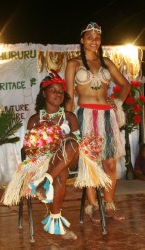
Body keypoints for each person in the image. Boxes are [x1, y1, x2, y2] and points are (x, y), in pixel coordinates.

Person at [65, 22, 131, 223]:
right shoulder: (73, 63)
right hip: (85, 116)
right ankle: (92, 205)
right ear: (82, 40)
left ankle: (109, 204)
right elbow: (69, 95)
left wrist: (117, 100)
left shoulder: (107, 62)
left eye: (97, 37)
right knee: (90, 162)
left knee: (110, 163)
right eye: (89, 37)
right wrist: (69, 124)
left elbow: (125, 85)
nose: (94, 41)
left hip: (106, 116)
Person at [2, 71, 80, 239]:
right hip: (44, 161)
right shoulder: (35, 119)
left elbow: (78, 144)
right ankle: (56, 219)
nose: (58, 94)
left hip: (70, 158)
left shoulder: (70, 117)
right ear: (44, 93)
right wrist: (44, 144)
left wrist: (61, 137)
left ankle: (44, 181)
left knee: (71, 143)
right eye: (54, 91)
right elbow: (28, 149)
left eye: (61, 92)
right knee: (61, 174)